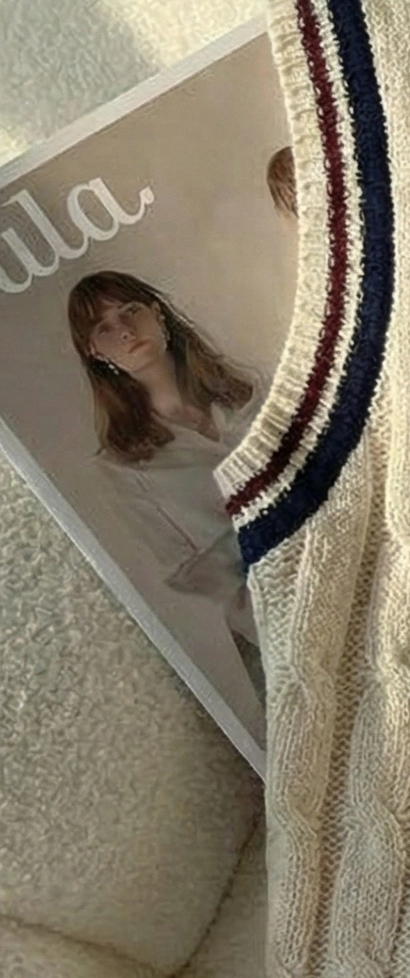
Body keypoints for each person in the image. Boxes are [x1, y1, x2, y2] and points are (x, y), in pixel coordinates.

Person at [67, 268, 263, 701]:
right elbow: (193, 573)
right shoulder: (124, 468)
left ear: (157, 314)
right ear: (93, 351)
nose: (125, 330)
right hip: (265, 632)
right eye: (104, 328)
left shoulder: (249, 390)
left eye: (130, 311)